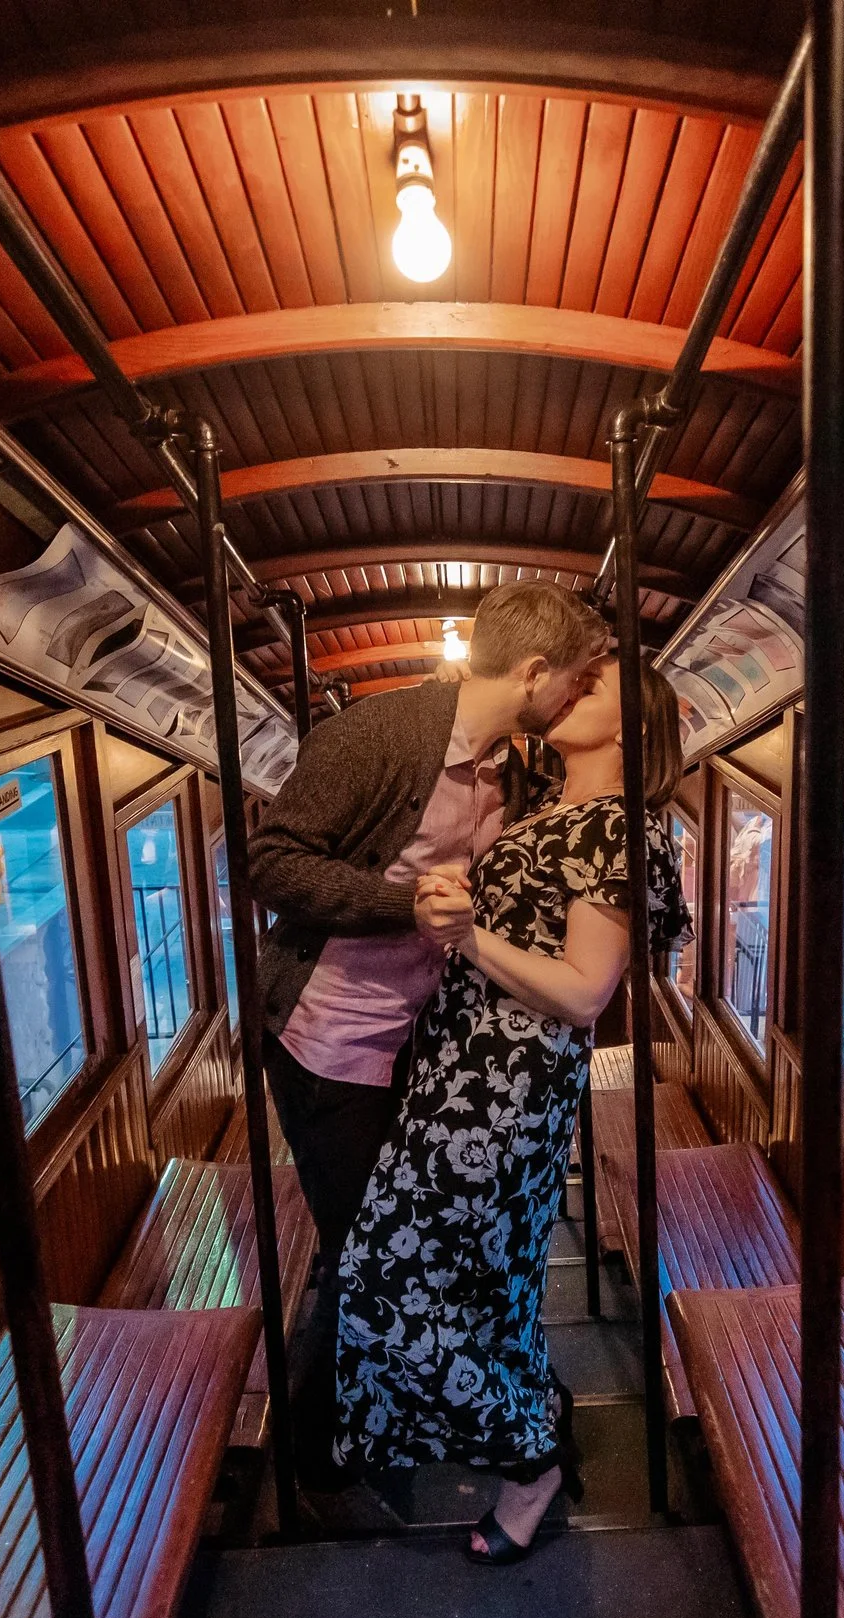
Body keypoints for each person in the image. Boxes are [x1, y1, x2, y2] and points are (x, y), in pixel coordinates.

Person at [246, 580, 607, 1492]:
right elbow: (274, 861)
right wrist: (401, 903)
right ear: (532, 673)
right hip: (329, 1044)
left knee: (402, 1248)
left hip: (414, 1047)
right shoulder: (376, 737)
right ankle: (314, 1463)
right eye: (571, 678)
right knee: (362, 1253)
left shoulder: (512, 768)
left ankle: (403, 1423)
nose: (576, 695)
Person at [334, 662, 690, 1565]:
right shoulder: (549, 807)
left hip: (506, 1087)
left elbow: (582, 991)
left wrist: (467, 935)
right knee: (481, 1284)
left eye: (597, 684)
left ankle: (527, 1460)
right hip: (457, 1066)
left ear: (634, 721)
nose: (570, 691)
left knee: (389, 1275)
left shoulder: (622, 824)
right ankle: (524, 1438)